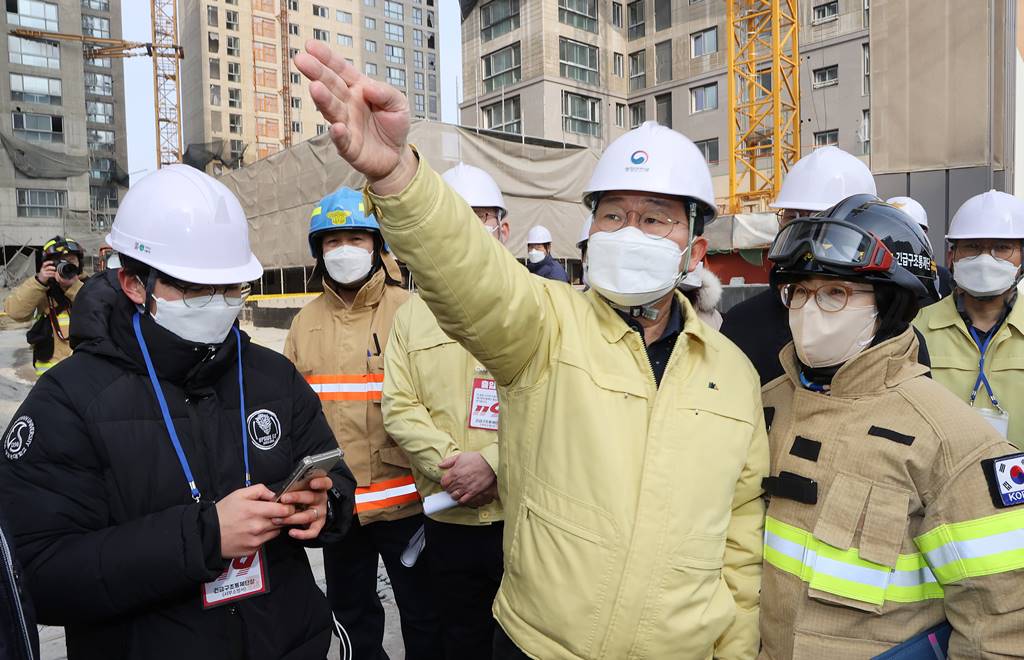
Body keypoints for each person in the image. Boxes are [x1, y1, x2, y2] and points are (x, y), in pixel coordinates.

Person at [297, 42, 768, 660]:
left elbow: (738, 540)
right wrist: (397, 177)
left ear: (694, 250)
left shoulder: (732, 375)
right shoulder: (546, 327)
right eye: (614, 215)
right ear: (589, 233)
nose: (631, 232)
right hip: (536, 645)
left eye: (656, 220)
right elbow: (472, 277)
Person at [0, 164, 357, 660]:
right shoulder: (67, 401)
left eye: (232, 288)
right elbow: (38, 573)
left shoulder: (273, 376)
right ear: (133, 283)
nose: (218, 303)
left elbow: (335, 478)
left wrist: (327, 506)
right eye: (193, 289)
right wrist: (203, 538)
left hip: (291, 642)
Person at [759, 193, 1024, 658]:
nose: (808, 308)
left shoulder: (952, 440)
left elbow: (1000, 621)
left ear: (889, 305)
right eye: (798, 291)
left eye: (835, 293)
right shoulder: (766, 406)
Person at [284, 187, 441, 659]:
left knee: (423, 614)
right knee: (350, 614)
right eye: (332, 242)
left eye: (356, 237)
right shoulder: (304, 322)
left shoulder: (412, 311)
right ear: (318, 252)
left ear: (378, 246)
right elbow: (291, 414)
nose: (344, 250)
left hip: (407, 505)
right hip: (340, 507)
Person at [382, 163, 510, 660]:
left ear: (503, 227)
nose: (470, 229)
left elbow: (558, 404)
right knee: (459, 636)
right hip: (447, 517)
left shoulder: (542, 304)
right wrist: (457, 469)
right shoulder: (412, 316)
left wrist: (495, 465)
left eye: (481, 217)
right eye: (457, 217)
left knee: (524, 637)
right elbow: (399, 405)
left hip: (521, 516)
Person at [721, 147, 877, 384]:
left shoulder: (888, 329)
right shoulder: (743, 324)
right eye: (792, 217)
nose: (802, 232)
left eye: (820, 218)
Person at [914, 190, 1024, 449]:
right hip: (941, 483)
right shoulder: (917, 329)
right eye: (972, 246)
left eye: (1002, 248)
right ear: (952, 257)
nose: (986, 259)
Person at [5, 236, 86, 376]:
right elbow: (15, 312)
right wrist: (39, 281)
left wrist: (74, 286)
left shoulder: (90, 286)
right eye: (59, 261)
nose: (65, 265)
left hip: (84, 369)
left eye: (71, 260)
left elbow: (99, 309)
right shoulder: (40, 288)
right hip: (50, 374)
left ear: (80, 263)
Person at [887, 195, 953, 298]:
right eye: (894, 227)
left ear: (924, 233)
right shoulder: (868, 269)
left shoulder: (941, 276)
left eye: (911, 229)